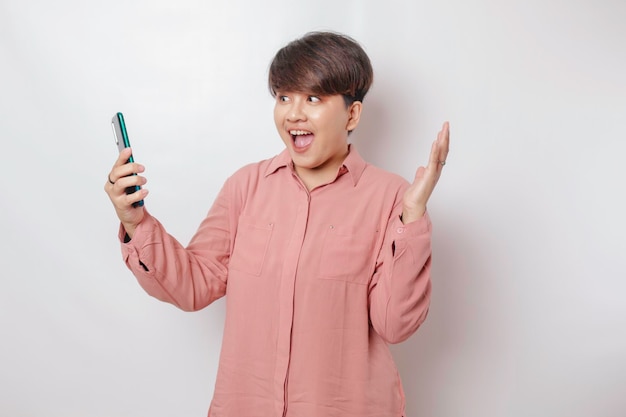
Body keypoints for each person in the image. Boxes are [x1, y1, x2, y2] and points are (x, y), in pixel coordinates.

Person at [105, 31, 449, 417]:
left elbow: (395, 324)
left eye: (313, 99)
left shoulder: (392, 199)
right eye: (284, 97)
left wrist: (413, 216)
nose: (293, 113)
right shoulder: (245, 187)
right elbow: (192, 284)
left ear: (352, 114)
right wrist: (136, 221)